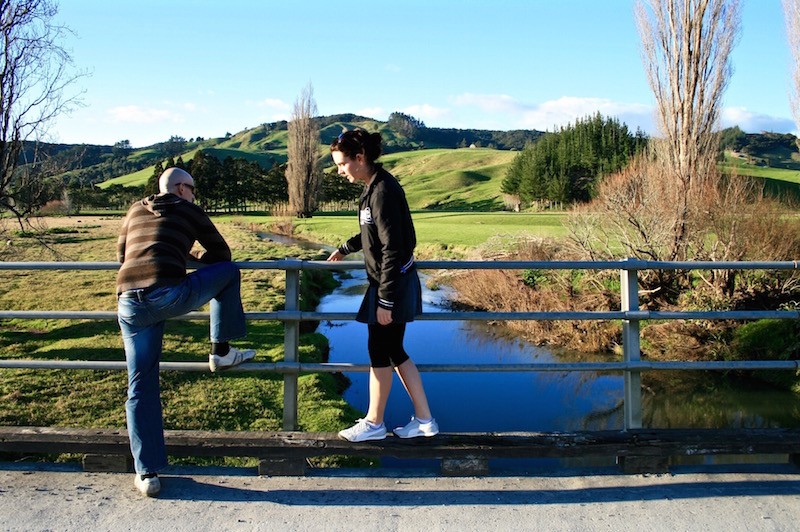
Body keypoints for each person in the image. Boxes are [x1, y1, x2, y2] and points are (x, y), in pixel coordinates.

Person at [116, 167, 255, 497]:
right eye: (192, 189)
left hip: (129, 302)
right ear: (181, 188)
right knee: (229, 273)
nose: (195, 194)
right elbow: (222, 255)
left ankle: (147, 473)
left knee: (140, 385)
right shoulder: (189, 209)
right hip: (168, 293)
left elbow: (122, 256)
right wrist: (188, 256)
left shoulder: (135, 209)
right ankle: (221, 352)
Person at [327, 129, 439, 442]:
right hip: (389, 284)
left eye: (341, 164)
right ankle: (424, 420)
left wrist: (386, 301)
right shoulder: (373, 186)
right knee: (392, 350)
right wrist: (347, 248)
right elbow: (371, 232)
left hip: (392, 285)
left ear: (359, 158)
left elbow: (396, 248)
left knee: (382, 350)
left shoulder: (383, 191)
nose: (340, 171)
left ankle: (375, 424)